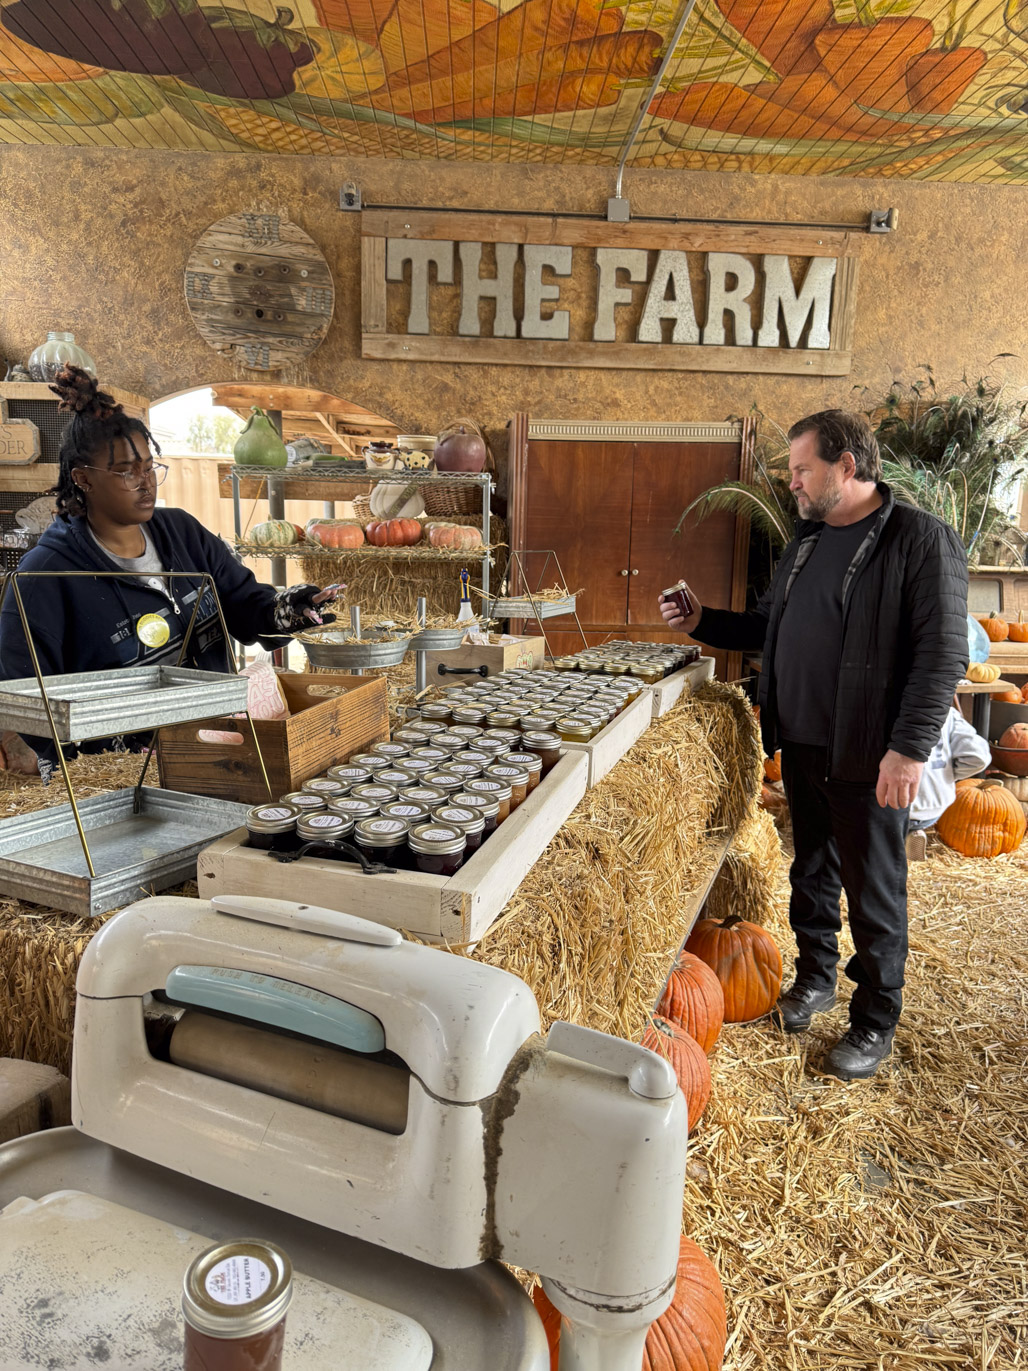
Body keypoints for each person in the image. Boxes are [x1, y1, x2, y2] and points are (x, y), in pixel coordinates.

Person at [660, 410, 968, 1080]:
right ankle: (815, 979)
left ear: (847, 466)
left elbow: (942, 657)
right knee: (812, 872)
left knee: (874, 888)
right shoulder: (806, 543)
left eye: (802, 469)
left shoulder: (920, 541)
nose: (792, 482)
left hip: (869, 752)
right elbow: (769, 626)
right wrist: (702, 619)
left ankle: (874, 1019)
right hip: (801, 742)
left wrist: (909, 750)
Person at [0, 366, 338, 780]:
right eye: (126, 471)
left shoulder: (182, 533)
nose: (145, 483)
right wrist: (81, 773)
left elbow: (246, 604)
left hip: (217, 750)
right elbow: (23, 697)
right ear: (82, 479)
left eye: (148, 466)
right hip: (125, 778)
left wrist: (290, 609)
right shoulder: (46, 577)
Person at [908, 696, 991, 831]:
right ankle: (914, 834)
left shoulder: (880, 711)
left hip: (891, 805)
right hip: (934, 805)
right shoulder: (947, 713)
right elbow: (979, 757)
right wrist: (946, 775)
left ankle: (902, 839)